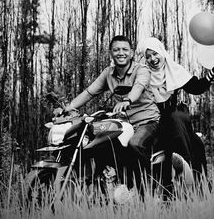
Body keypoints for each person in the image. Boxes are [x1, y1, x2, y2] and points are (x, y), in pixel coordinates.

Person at [63, 35, 161, 194]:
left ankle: (149, 191)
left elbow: (139, 86)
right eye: (116, 50)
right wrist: (68, 107)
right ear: (111, 53)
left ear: (131, 53)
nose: (120, 53)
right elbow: (89, 92)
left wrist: (127, 100)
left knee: (135, 144)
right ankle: (107, 187)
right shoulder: (108, 73)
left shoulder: (141, 70)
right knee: (98, 143)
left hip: (147, 121)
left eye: (124, 49)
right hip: (124, 124)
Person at [136, 37, 214, 199]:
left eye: (155, 54)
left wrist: (212, 73)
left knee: (196, 143)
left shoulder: (173, 69)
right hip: (153, 121)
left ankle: (197, 186)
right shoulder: (141, 75)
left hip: (175, 121)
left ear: (161, 52)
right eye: (148, 57)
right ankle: (174, 185)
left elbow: (196, 88)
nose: (153, 59)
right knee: (174, 121)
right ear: (143, 59)